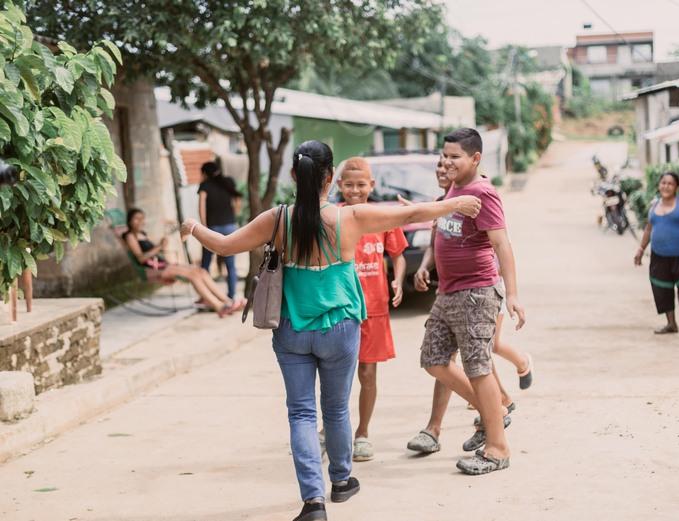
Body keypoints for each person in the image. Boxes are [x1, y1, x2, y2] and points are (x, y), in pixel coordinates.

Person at [179, 140, 481, 521]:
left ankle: (313, 502)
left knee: (302, 414)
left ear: (293, 175)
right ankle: (341, 481)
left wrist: (193, 227)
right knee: (336, 408)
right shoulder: (349, 218)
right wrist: (455, 203)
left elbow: (223, 246)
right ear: (330, 177)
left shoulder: (277, 219)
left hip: (290, 330)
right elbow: (411, 215)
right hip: (340, 329)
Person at [416, 128, 525, 476]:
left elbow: (502, 245)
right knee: (433, 360)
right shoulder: (453, 189)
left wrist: (513, 295)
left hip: (476, 293)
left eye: (455, 156)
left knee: (478, 367)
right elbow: (440, 232)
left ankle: (497, 448)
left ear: (475, 158)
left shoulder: (482, 192)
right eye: (444, 155)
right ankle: (495, 411)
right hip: (447, 292)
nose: (447, 162)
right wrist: (426, 266)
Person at [337, 157, 408, 462]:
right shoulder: (333, 216)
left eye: (361, 185)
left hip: (374, 308)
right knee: (336, 375)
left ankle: (362, 433)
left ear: (372, 185)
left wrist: (398, 281)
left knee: (368, 373)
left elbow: (398, 255)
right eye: (349, 185)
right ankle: (332, 429)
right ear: (339, 185)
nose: (355, 190)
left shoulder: (382, 216)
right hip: (339, 307)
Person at [122, 208, 239, 316]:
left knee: (200, 270)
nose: (140, 222)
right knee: (193, 275)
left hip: (162, 264)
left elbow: (153, 252)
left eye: (142, 219)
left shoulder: (142, 234)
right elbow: (141, 258)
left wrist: (162, 246)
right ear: (130, 220)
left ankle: (228, 301)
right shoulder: (130, 236)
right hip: (152, 269)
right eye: (136, 219)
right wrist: (159, 247)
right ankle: (219, 306)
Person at [634, 173, 679, 338]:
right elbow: (649, 229)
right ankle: (671, 324)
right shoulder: (654, 205)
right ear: (659, 185)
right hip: (658, 257)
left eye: (670, 184)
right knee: (662, 290)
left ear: (676, 187)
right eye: (663, 183)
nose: (666, 186)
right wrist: (641, 249)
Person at [198, 161, 242, 302]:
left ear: (205, 173)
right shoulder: (228, 181)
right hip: (230, 226)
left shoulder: (205, 186)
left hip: (212, 228)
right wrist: (234, 217)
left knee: (205, 264)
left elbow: (202, 207)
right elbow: (237, 201)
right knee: (231, 265)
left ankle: (206, 297)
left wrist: (203, 228)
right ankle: (231, 296)